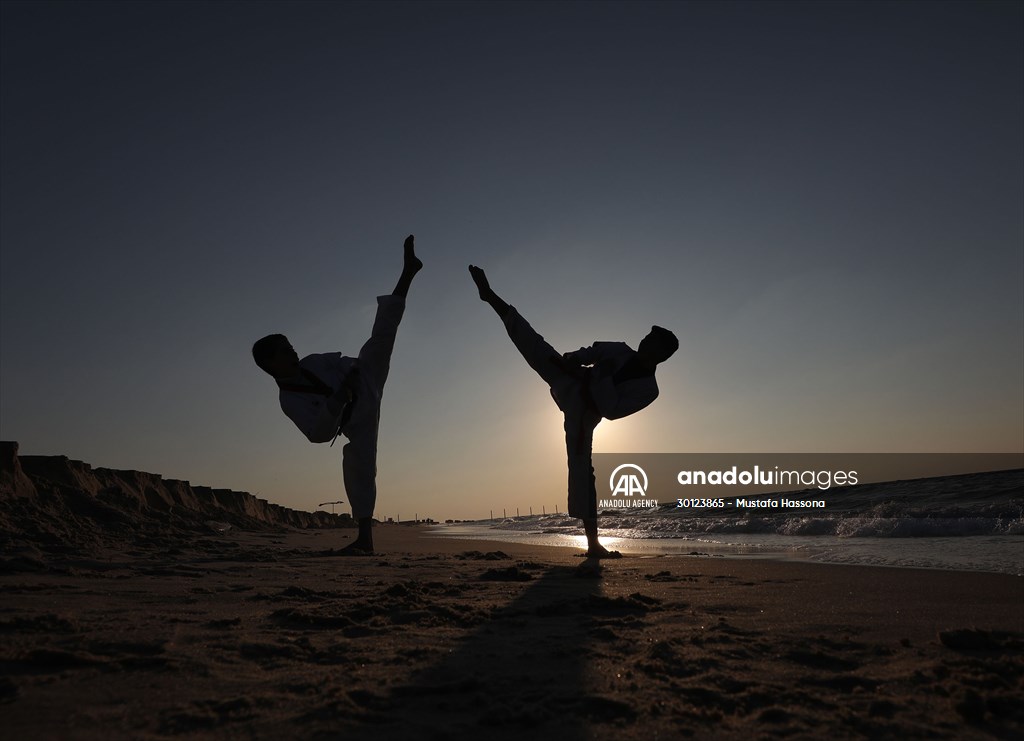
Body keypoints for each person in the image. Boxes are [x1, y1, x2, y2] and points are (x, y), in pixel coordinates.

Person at [469, 264, 678, 558]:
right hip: (572, 379)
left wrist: (602, 375)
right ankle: (490, 296)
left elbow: (612, 410)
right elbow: (591, 352)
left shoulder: (649, 390)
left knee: (581, 470)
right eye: (646, 337)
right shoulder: (620, 349)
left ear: (662, 355)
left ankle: (593, 543)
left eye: (651, 342)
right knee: (533, 343)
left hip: (585, 414)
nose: (643, 341)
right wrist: (574, 358)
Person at [252, 235, 422, 554]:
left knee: (381, 333)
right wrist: (337, 401)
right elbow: (317, 435)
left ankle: (408, 272)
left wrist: (353, 373)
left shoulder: (313, 362)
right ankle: (364, 540)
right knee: (358, 464)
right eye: (285, 351)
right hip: (355, 419)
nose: (293, 351)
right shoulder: (289, 399)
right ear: (269, 365)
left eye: (291, 346)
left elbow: (345, 363)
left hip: (365, 380)